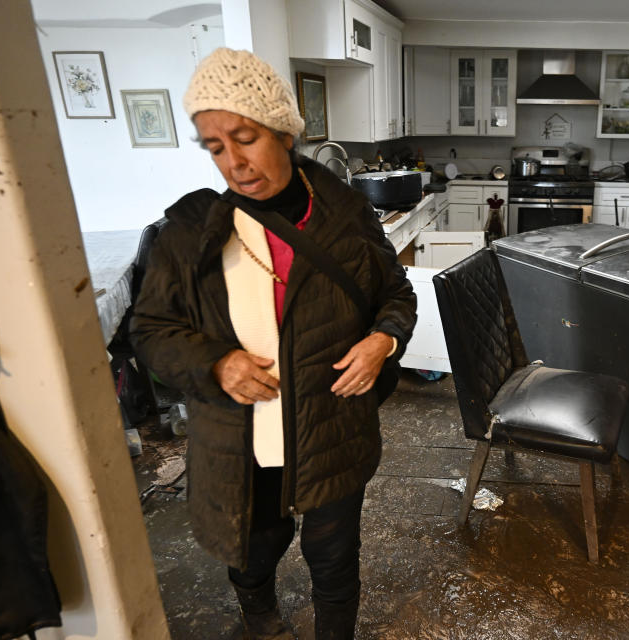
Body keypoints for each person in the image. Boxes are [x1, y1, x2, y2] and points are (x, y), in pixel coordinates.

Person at [130, 47, 416, 640]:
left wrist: (383, 341)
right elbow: (150, 334)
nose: (234, 162)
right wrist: (216, 363)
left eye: (246, 137)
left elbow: (395, 294)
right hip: (240, 436)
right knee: (254, 551)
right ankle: (261, 622)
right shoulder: (189, 232)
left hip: (333, 425)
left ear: (284, 131)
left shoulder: (347, 214)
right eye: (215, 146)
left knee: (334, 557)